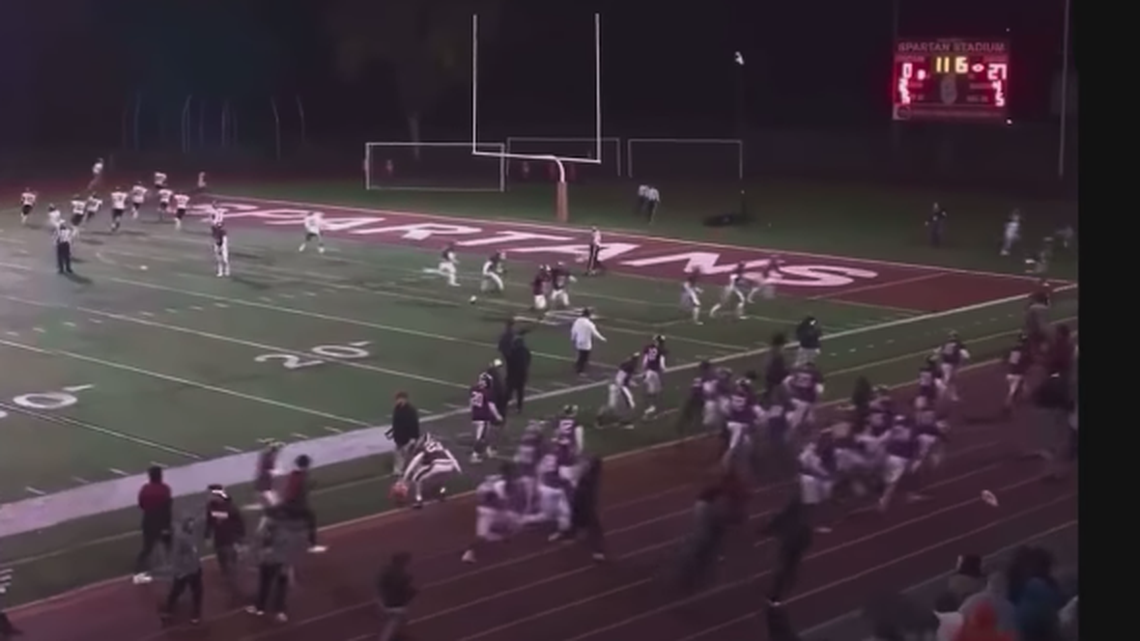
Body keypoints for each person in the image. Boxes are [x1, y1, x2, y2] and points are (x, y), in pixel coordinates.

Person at [246, 514, 306, 623]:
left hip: (279, 563)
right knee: (264, 585)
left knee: (280, 588)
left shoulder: (283, 534)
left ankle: (280, 611)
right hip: (267, 562)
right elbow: (260, 542)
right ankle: (260, 607)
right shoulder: (267, 532)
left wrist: (286, 566)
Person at [551, 455, 606, 561]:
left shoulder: (590, 477)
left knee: (593, 526)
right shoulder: (585, 474)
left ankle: (598, 550)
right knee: (575, 519)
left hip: (588, 502)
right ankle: (571, 534)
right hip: (579, 498)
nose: (583, 465)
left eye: (586, 464)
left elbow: (574, 474)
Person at [762, 497, 814, 606]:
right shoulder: (804, 518)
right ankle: (787, 587)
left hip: (789, 545)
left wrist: (766, 530)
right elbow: (807, 535)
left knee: (781, 569)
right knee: (791, 567)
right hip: (797, 546)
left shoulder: (788, 516)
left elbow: (776, 523)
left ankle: (776, 596)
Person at [133, 465, 173, 585]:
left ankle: (139, 574)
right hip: (162, 521)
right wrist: (167, 525)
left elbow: (141, 504)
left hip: (148, 520)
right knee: (169, 545)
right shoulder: (165, 489)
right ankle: (170, 567)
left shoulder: (145, 489)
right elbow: (167, 507)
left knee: (147, 547)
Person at [161, 515, 205, 626]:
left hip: (194, 568)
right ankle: (169, 608)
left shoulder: (190, 535)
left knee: (196, 591)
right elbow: (177, 556)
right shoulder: (181, 538)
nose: (192, 525)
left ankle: (195, 612)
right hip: (186, 570)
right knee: (179, 590)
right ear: (186, 525)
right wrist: (180, 570)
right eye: (190, 523)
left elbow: (193, 551)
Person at [281, 455, 326, 553]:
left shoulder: (293, 474)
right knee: (311, 519)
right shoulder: (303, 476)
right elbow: (302, 489)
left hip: (287, 504)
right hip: (296, 505)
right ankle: (312, 545)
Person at [204, 484, 246, 588]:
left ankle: (234, 583)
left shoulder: (230, 508)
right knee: (222, 560)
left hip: (230, 539)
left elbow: (240, 523)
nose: (208, 496)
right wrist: (207, 536)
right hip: (219, 539)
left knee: (231, 561)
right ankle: (227, 576)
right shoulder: (210, 506)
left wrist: (240, 539)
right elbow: (210, 522)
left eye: (210, 494)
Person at [376, 552, 417, 641]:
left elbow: (380, 585)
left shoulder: (386, 571)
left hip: (384, 602)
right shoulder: (404, 576)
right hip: (396, 605)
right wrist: (412, 592)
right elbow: (404, 591)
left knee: (394, 618)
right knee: (392, 624)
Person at [387, 392, 421, 476]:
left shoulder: (410, 411)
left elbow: (414, 424)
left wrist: (414, 437)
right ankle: (398, 470)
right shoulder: (397, 409)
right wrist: (394, 433)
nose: (398, 401)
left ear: (405, 399)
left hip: (408, 437)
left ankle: (412, 470)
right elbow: (396, 423)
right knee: (398, 454)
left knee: (408, 455)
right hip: (399, 437)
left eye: (400, 399)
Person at [570, 308, 606, 376]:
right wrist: (602, 339)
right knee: (584, 357)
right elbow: (595, 333)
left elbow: (573, 330)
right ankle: (580, 370)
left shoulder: (577, 321)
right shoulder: (589, 324)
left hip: (579, 341)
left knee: (580, 354)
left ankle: (577, 365)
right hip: (586, 342)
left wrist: (573, 337)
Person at [505, 333, 532, 412]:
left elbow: (509, 362)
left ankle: (505, 404)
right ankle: (519, 407)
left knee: (509, 390)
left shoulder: (513, 352)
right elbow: (528, 361)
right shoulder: (526, 351)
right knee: (520, 391)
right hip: (522, 374)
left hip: (513, 375)